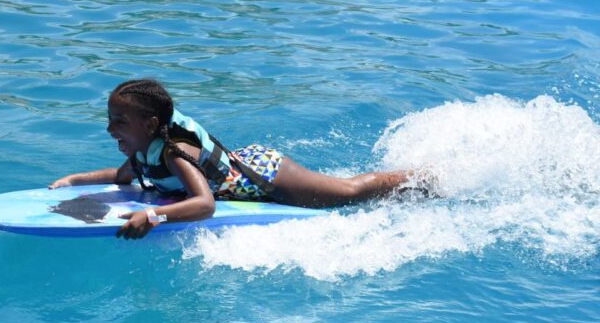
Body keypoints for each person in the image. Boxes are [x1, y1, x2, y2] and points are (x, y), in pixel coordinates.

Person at [50, 79, 430, 239]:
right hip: (239, 166)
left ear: (150, 124)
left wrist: (153, 216)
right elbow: (122, 178)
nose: (109, 128)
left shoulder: (175, 153)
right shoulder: (145, 150)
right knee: (342, 192)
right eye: (109, 119)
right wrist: (75, 180)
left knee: (346, 194)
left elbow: (205, 204)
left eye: (119, 121)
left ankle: (422, 180)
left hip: (261, 176)